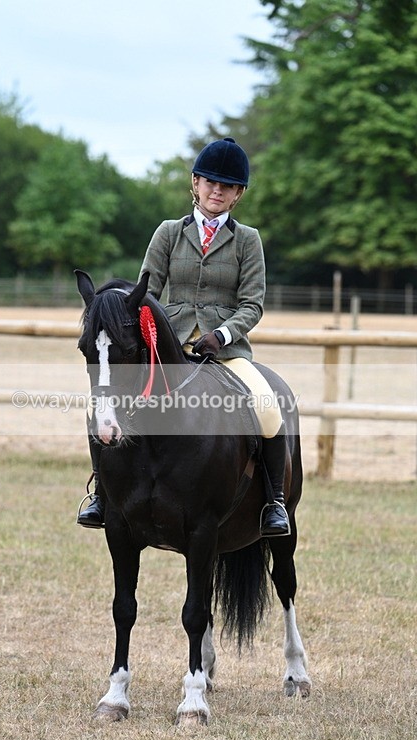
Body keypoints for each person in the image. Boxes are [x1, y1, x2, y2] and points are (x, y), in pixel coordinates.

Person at [77, 137, 290, 537]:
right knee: (103, 404)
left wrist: (222, 334)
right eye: (210, 182)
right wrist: (146, 335)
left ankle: (274, 503)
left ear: (238, 194)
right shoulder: (169, 233)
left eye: (227, 186)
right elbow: (145, 293)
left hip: (225, 352)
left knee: (268, 407)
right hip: (164, 346)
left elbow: (253, 304)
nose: (217, 190)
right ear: (195, 183)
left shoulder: (248, 240)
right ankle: (102, 494)